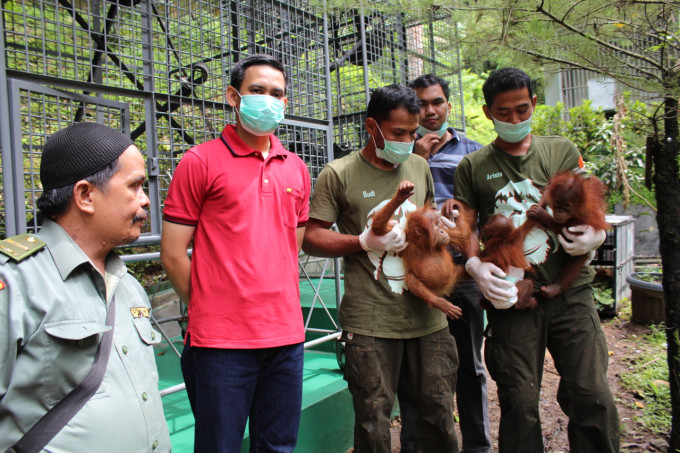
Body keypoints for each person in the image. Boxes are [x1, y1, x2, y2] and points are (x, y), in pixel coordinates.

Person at [454, 67, 619, 452]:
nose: (514, 119)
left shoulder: (559, 150)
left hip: (571, 294)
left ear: (534, 104)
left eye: (522, 110)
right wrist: (475, 265)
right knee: (519, 401)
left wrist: (597, 232)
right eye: (504, 112)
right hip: (511, 299)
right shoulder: (473, 166)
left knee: (591, 393)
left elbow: (590, 200)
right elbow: (465, 226)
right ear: (487, 111)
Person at [160, 54, 311, 453]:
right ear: (233, 96)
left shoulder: (296, 168)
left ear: (285, 102)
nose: (267, 100)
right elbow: (173, 253)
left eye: (276, 93)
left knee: (278, 446)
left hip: (285, 336)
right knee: (218, 446)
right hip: (220, 344)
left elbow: (290, 247)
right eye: (256, 91)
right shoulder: (199, 161)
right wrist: (210, 307)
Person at [303, 84, 459, 453]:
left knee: (437, 414)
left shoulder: (419, 166)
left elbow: (426, 216)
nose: (408, 141)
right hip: (372, 322)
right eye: (398, 133)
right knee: (373, 421)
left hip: (427, 319)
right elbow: (310, 237)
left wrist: (440, 226)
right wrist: (361, 242)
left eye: (412, 133)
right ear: (372, 127)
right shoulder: (339, 173)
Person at [0, 122, 170, 452]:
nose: (146, 200)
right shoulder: (15, 283)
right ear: (85, 195)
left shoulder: (127, 284)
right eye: (134, 186)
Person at [398, 74, 490, 453]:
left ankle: (478, 446)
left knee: (469, 365)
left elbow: (485, 211)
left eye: (437, 102)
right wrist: (415, 158)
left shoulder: (473, 152)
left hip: (460, 273)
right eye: (421, 104)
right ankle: (416, 445)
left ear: (449, 105)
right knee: (414, 370)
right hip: (413, 276)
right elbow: (390, 205)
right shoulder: (398, 150)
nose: (430, 110)